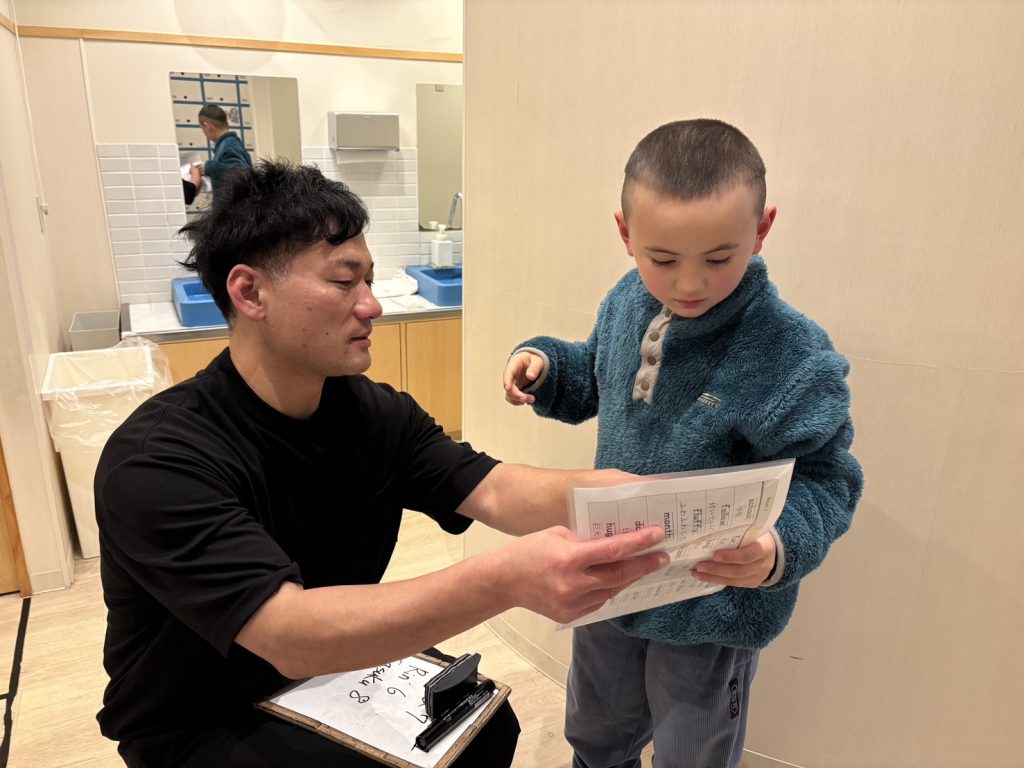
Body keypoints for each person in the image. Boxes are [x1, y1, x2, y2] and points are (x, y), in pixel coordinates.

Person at [94, 159, 670, 768]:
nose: (371, 306)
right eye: (345, 282)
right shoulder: (159, 460)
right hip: (201, 716)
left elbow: (496, 490)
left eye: (368, 281)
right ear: (250, 292)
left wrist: (650, 499)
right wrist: (507, 579)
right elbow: (289, 634)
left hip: (332, 674)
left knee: (486, 730)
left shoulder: (373, 414)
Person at [502, 119, 864, 768]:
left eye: (719, 259)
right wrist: (547, 368)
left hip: (711, 605)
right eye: (663, 260)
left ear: (762, 229)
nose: (689, 284)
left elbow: (828, 477)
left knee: (691, 753)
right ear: (625, 234)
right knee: (596, 732)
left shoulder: (789, 351)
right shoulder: (627, 301)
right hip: (611, 578)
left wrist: (777, 549)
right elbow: (595, 375)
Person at [195, 104, 252, 194]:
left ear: (207, 126)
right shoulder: (228, 143)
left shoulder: (229, 144)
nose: (204, 133)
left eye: (202, 129)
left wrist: (209, 167)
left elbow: (240, 173)